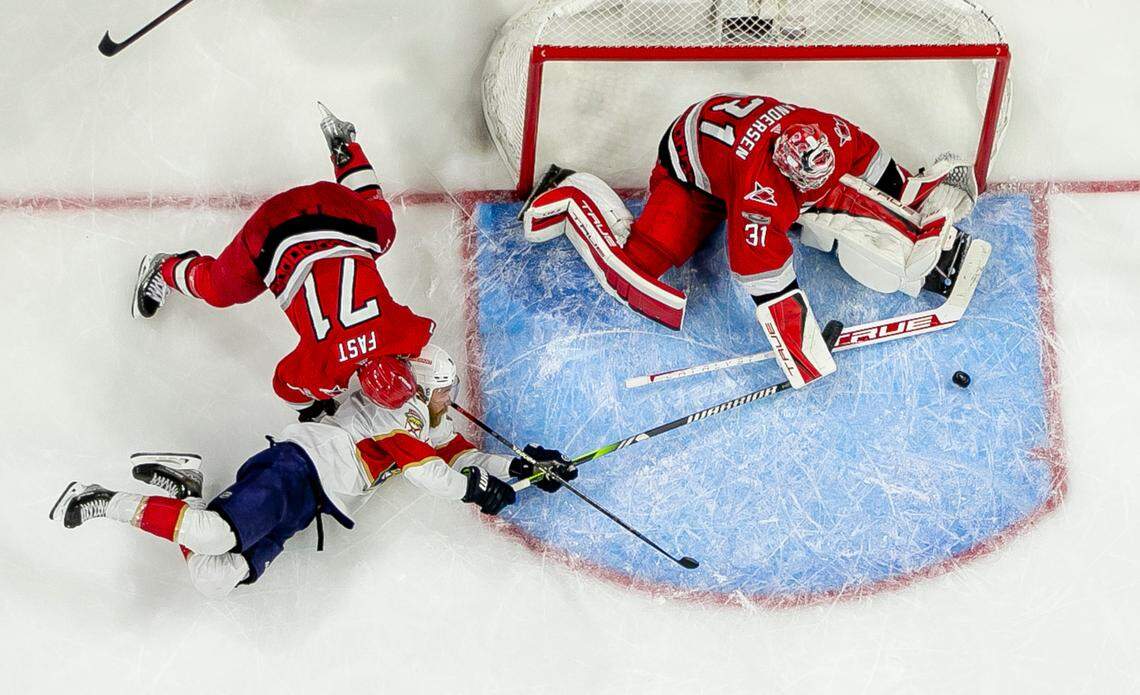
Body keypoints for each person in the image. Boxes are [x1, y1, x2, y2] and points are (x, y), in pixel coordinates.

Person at [521, 92, 980, 389]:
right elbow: (764, 276)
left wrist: (913, 197)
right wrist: (802, 357)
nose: (820, 182)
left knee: (838, 198)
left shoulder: (828, 133)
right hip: (692, 170)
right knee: (649, 260)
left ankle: (925, 250)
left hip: (733, 140)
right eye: (806, 183)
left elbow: (873, 165)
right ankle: (569, 194)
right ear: (786, 172)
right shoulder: (761, 194)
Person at [49, 345, 577, 598]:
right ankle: (100, 498)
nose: (449, 397)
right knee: (214, 536)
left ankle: (190, 490)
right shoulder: (397, 415)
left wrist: (521, 465)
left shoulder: (426, 425)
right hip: (298, 469)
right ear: (417, 388)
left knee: (215, 576)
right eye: (442, 389)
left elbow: (461, 456)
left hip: (313, 503)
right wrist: (474, 491)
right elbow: (434, 473)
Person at [132, 103, 434, 421]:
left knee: (381, 231)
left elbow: (425, 349)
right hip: (272, 230)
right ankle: (164, 268)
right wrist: (314, 408)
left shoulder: (404, 333)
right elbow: (284, 384)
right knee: (219, 289)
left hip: (331, 207)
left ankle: (346, 150)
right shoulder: (326, 371)